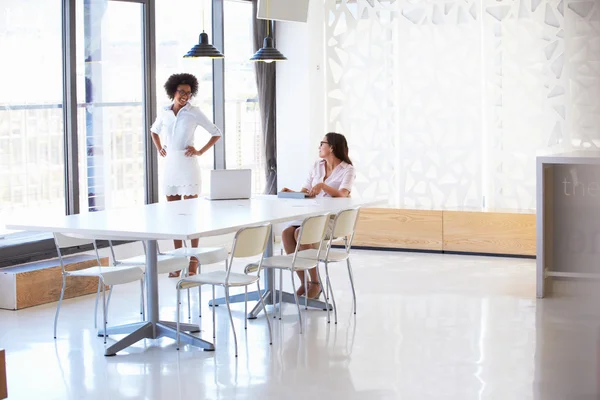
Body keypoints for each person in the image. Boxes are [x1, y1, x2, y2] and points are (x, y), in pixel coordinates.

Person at [150, 73, 221, 277]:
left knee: (190, 216)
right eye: (182, 92)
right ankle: (177, 259)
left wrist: (199, 151)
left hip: (188, 166)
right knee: (174, 216)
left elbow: (216, 132)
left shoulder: (194, 112)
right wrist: (159, 148)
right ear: (173, 91)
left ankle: (193, 259)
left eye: (189, 93)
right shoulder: (164, 112)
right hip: (170, 165)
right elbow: (154, 131)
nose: (185, 96)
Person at [280, 132, 355, 299]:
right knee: (287, 233)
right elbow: (306, 191)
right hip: (310, 216)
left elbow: (343, 194)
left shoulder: (347, 170)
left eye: (322, 143)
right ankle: (304, 282)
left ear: (332, 147)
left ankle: (316, 283)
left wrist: (323, 185)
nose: (319, 147)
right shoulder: (316, 165)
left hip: (330, 219)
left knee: (301, 233)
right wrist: (292, 193)